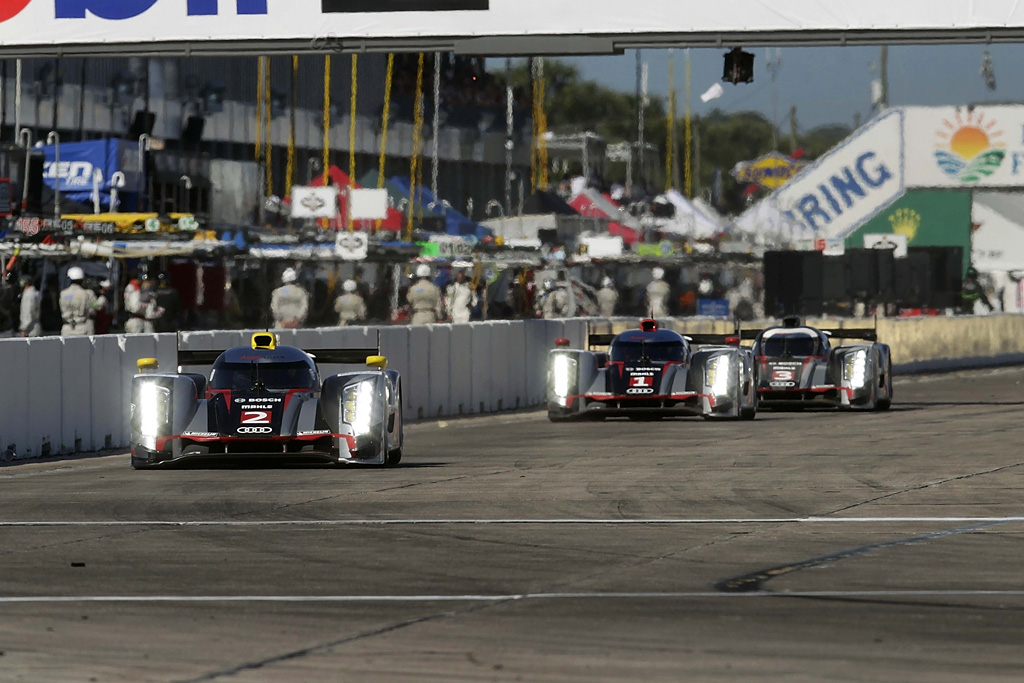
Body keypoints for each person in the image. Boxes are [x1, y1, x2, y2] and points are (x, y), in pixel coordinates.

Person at [59, 266, 98, 336]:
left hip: (66, 328)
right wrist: (100, 299)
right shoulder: (88, 293)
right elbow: (94, 306)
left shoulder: (63, 294)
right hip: (82, 327)